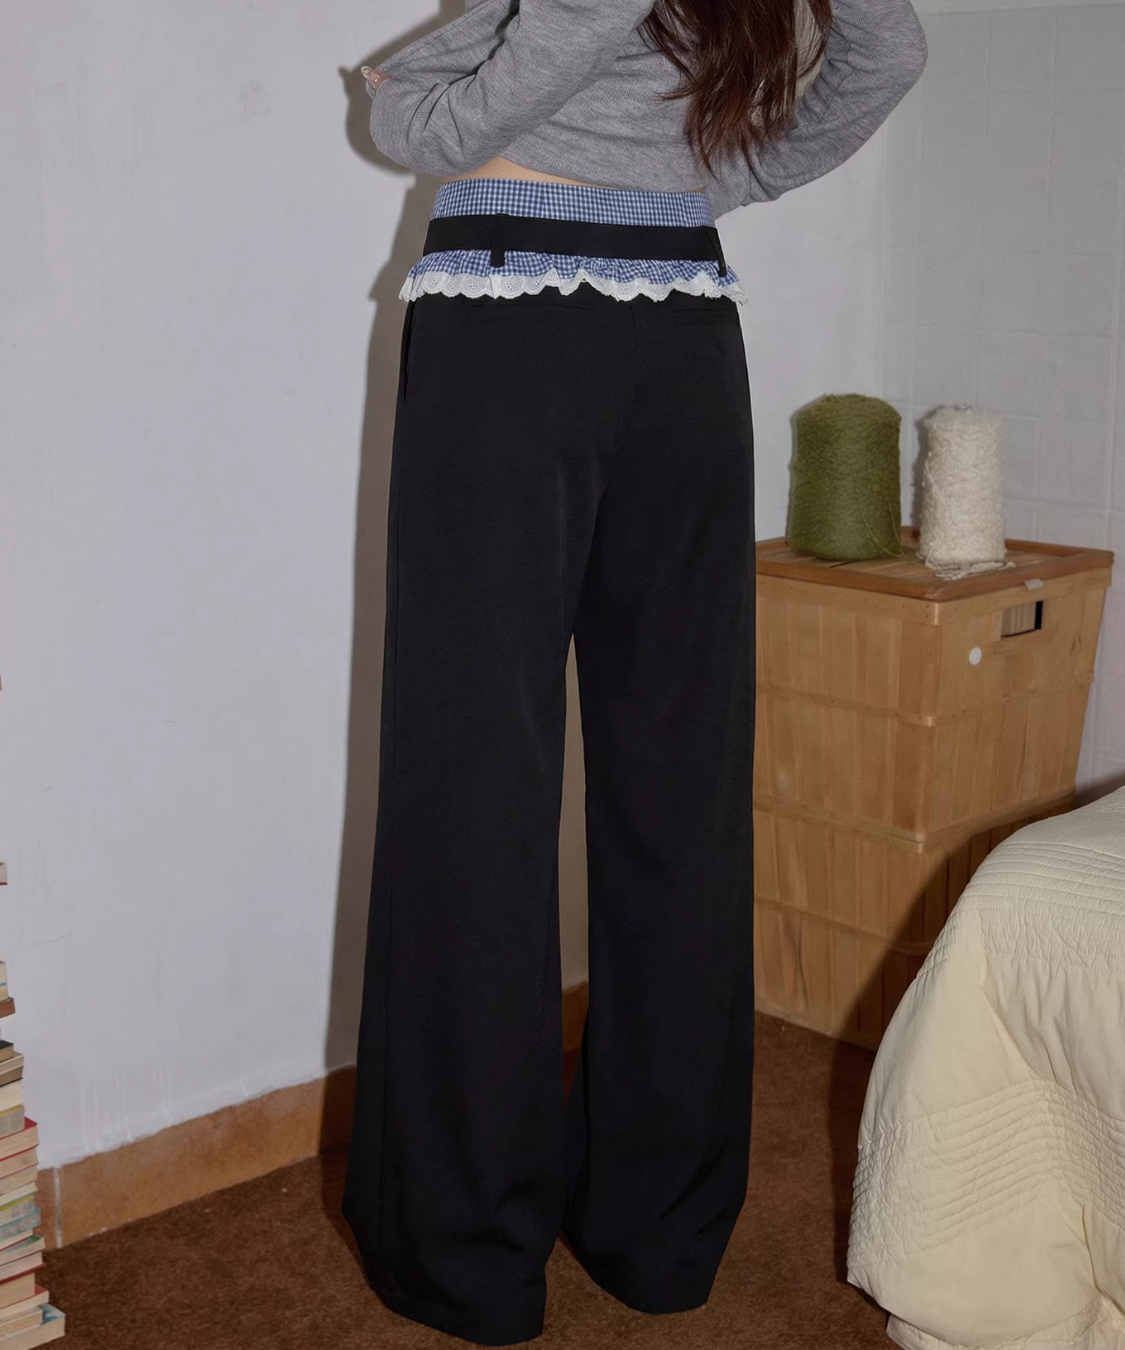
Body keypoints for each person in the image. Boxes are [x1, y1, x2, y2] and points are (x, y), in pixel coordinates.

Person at [341, 0, 927, 1343]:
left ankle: (470, 1254)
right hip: (682, 336)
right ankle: (660, 1229)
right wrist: (722, 169)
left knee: (475, 788)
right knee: (681, 792)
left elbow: (423, 123)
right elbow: (891, 49)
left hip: (507, 326)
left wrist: (424, 80)